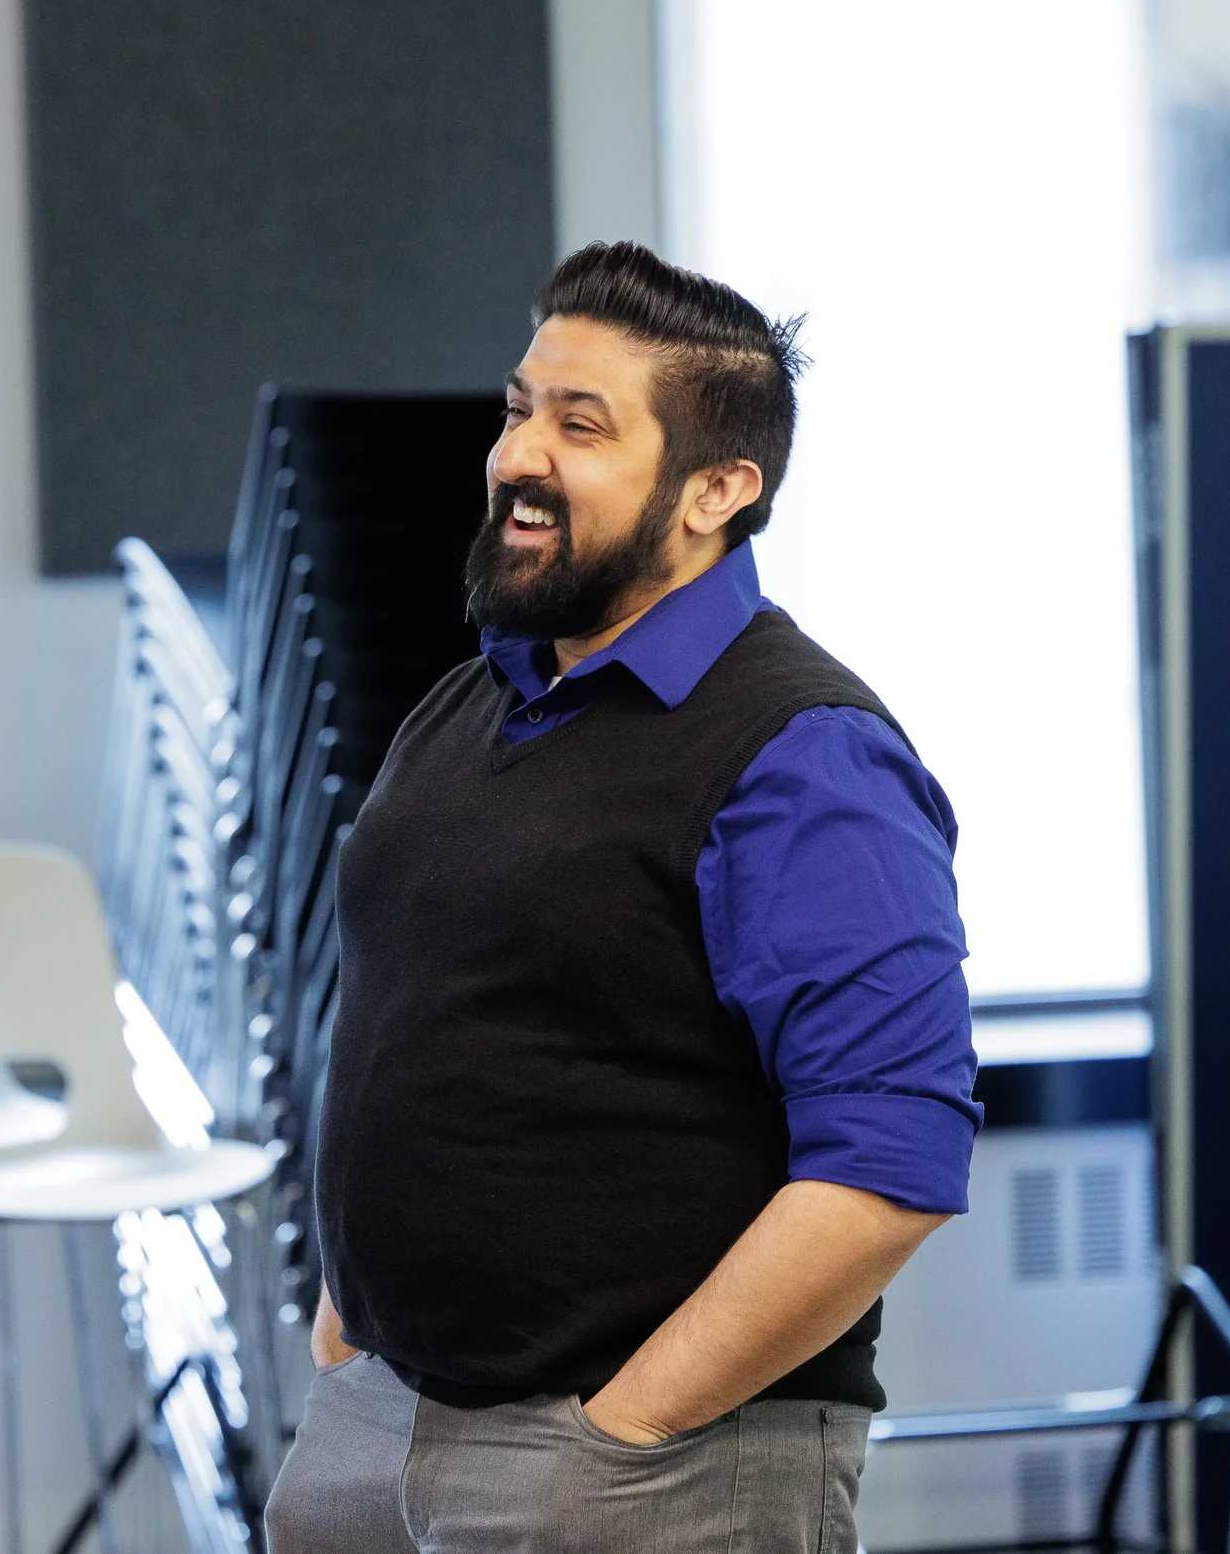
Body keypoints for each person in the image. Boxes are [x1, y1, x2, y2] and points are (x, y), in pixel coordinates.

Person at [264, 242, 979, 1553]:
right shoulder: (474, 699)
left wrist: (626, 1430)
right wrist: (351, 1322)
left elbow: (893, 1160)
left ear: (718, 488)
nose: (516, 454)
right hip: (379, 1420)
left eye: (578, 424)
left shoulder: (806, 754)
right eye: (518, 407)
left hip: (635, 1468)